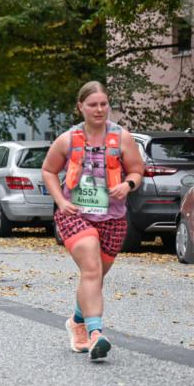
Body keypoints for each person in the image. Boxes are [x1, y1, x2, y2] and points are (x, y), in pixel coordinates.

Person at [41, 81, 143, 361]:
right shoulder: (68, 139)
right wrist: (61, 201)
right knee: (91, 267)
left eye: (103, 104)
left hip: (113, 218)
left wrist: (128, 185)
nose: (99, 109)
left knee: (96, 276)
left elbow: (136, 170)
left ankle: (76, 320)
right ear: (80, 107)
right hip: (75, 215)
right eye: (93, 104)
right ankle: (96, 332)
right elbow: (49, 170)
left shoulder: (122, 137)